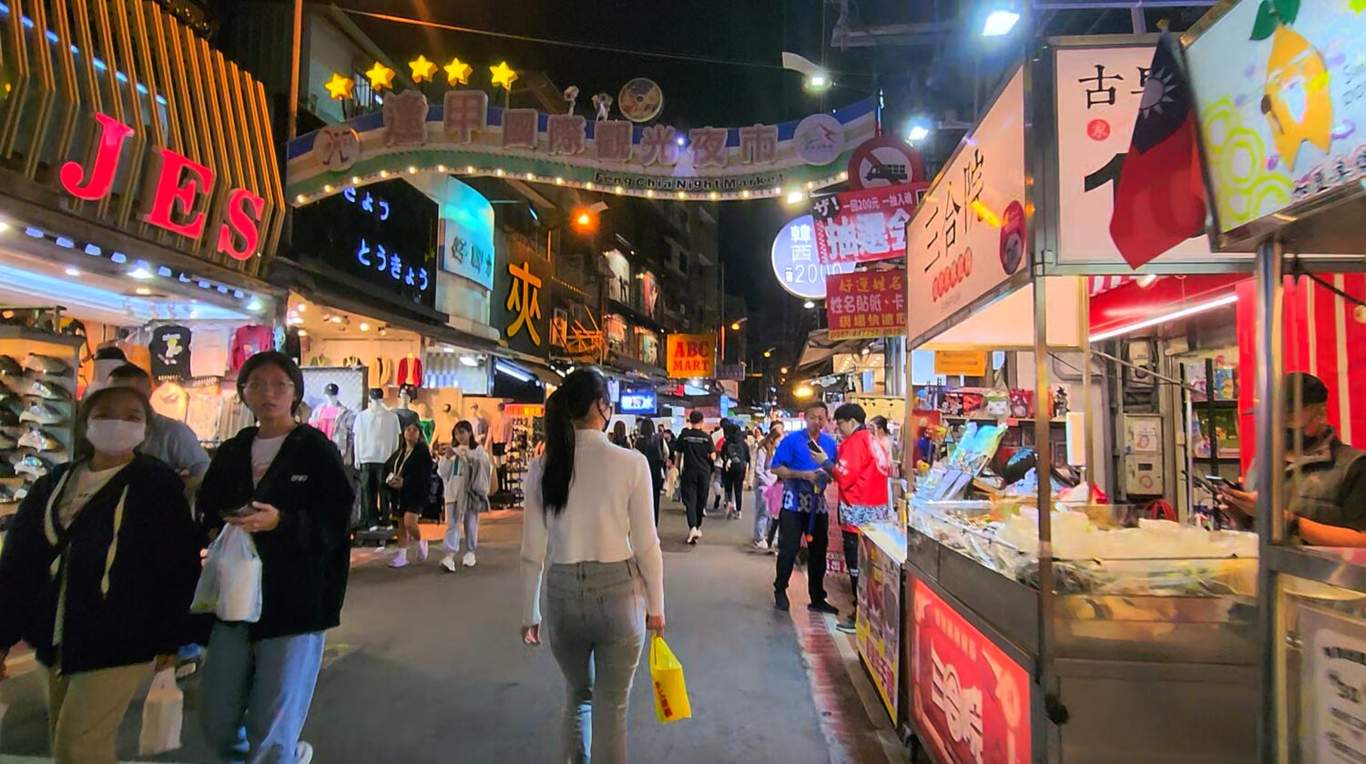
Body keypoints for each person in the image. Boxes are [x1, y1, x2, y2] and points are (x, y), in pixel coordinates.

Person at [0, 386, 200, 764]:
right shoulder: (54, 483)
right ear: (87, 422)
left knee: (79, 747)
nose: (118, 424)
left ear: (146, 429)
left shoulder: (156, 486)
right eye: (106, 413)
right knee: (66, 741)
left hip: (119, 636)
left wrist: (172, 639)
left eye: (132, 417)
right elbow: (19, 563)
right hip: (53, 634)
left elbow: (177, 565)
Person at [196, 351, 354, 764]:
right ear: (244, 392)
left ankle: (282, 756)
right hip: (232, 600)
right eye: (257, 384)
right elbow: (208, 506)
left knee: (274, 720)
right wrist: (219, 526)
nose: (268, 393)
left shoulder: (315, 449)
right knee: (216, 718)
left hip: (294, 601)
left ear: (295, 393)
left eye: (279, 385)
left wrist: (282, 522)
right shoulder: (233, 450)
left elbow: (337, 520)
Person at [519, 369, 665, 764]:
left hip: (562, 593)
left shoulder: (543, 465)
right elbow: (646, 543)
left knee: (577, 698)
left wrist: (528, 611)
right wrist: (656, 605)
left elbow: (532, 549)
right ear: (602, 406)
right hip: (619, 593)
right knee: (612, 708)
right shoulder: (631, 462)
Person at [1220, 372, 1366, 544]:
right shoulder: (1262, 463)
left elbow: (1362, 542)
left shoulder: (1353, 466)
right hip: (1267, 568)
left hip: (1321, 571)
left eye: (1289, 416)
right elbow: (1256, 530)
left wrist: (1290, 522)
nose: (1280, 423)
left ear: (1321, 414)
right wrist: (1241, 516)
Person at [822, 404, 893, 632]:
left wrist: (825, 461)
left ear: (851, 421)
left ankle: (859, 615)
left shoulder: (854, 442)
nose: (838, 428)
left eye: (840, 423)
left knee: (858, 568)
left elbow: (844, 477)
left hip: (856, 514)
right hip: (876, 515)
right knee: (871, 568)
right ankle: (870, 614)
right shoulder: (873, 440)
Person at [771, 402, 839, 614]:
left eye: (821, 418)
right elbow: (776, 468)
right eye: (813, 417)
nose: (817, 422)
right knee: (788, 549)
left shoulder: (830, 444)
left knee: (819, 553)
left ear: (827, 420)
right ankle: (780, 589)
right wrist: (802, 475)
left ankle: (817, 597)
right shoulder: (792, 441)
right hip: (793, 505)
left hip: (818, 506)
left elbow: (835, 471)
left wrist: (826, 476)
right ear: (805, 418)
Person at [106, 363, 211, 495]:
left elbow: (205, 471)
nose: (120, 399)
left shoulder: (173, 431)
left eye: (129, 393)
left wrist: (165, 491)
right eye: (112, 393)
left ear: (148, 392)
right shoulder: (105, 432)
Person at [437, 420, 493, 571]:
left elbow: (484, 467)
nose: (459, 436)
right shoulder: (451, 451)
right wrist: (448, 458)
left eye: (462, 432)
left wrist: (464, 455)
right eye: (456, 433)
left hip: (470, 493)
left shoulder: (478, 451)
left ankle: (470, 552)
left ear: (469, 433)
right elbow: (442, 472)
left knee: (471, 523)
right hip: (452, 493)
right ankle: (449, 555)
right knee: (452, 524)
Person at [385, 422, 434, 568]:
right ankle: (402, 555)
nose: (411, 432)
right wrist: (390, 480)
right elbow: (387, 468)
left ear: (419, 434)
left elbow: (424, 474)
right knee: (400, 523)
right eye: (408, 429)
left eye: (415, 430)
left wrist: (405, 482)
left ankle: (420, 541)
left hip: (417, 492)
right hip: (399, 494)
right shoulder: (399, 453)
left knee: (409, 521)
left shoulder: (422, 452)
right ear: (403, 433)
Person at [675, 411, 715, 544]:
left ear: (690, 421)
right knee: (701, 500)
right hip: (704, 472)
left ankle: (692, 527)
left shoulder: (684, 436)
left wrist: (676, 469)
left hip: (689, 471)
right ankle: (697, 526)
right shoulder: (706, 437)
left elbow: (678, 454)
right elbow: (713, 456)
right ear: (702, 421)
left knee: (690, 501)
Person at [752, 426, 784, 551]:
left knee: (774, 514)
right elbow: (759, 470)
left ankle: (771, 538)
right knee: (763, 513)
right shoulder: (763, 450)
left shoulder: (777, 450)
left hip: (776, 485)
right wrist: (768, 482)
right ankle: (759, 538)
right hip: (764, 486)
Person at [635, 417, 668, 525]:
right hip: (656, 472)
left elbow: (635, 457)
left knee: (643, 500)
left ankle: (644, 523)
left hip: (642, 474)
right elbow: (666, 453)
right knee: (655, 499)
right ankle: (654, 523)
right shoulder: (659, 439)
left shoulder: (638, 441)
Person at [719, 421, 750, 519]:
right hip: (740, 469)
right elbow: (747, 458)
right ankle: (739, 511)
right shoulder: (743, 443)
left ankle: (729, 504)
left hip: (728, 468)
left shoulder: (727, 442)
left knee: (728, 488)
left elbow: (722, 455)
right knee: (738, 489)